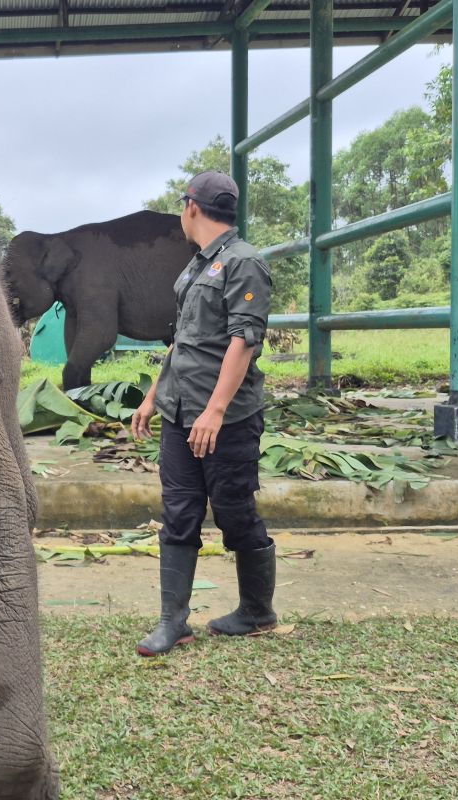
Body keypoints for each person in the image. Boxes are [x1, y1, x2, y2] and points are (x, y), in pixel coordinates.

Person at [130, 170, 276, 657]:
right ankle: (174, 621)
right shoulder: (196, 267)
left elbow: (244, 341)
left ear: (190, 207)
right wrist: (154, 395)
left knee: (235, 511)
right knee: (178, 513)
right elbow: (181, 343)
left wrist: (214, 412)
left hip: (226, 420)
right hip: (178, 409)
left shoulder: (244, 262)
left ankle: (257, 611)